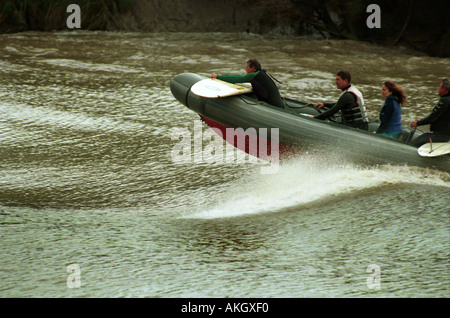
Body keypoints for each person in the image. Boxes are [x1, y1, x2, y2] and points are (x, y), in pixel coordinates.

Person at [211, 59, 285, 108]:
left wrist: (218, 77)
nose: (245, 70)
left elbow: (237, 78)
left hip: (274, 106)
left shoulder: (253, 75)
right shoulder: (261, 73)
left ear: (252, 68)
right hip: (279, 104)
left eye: (247, 68)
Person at [410, 78, 450, 147]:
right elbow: (439, 117)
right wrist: (422, 120)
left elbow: (433, 117)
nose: (438, 89)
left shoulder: (445, 100)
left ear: (444, 89)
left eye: (440, 87)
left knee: (414, 143)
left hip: (440, 135)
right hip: (445, 135)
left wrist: (417, 123)